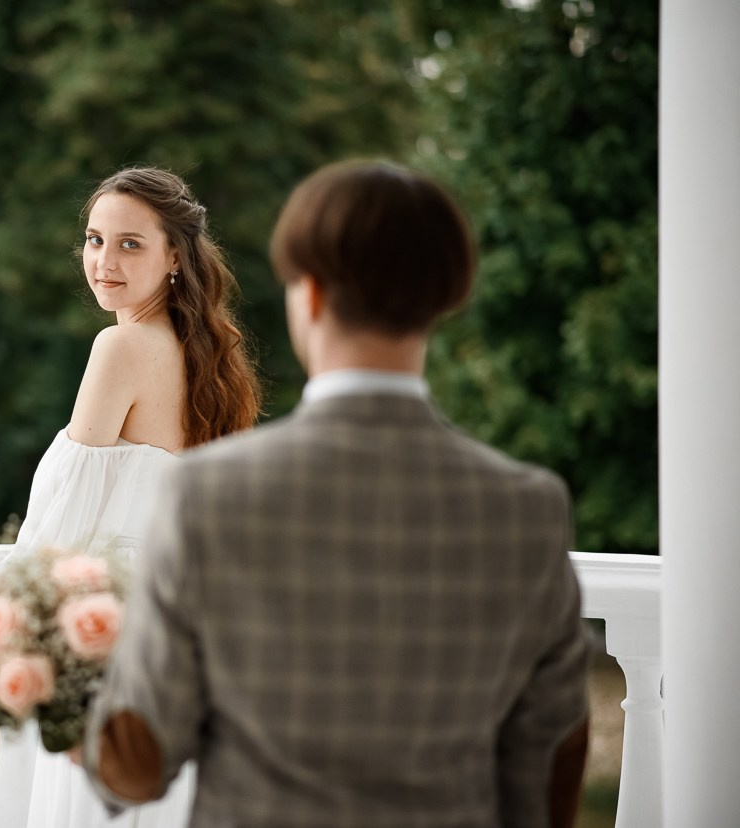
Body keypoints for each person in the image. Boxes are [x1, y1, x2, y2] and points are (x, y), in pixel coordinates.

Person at [82, 160, 592, 828]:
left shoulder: (209, 495)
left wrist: (73, 723)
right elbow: (551, 769)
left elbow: (137, 764)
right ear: (443, 298)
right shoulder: (529, 508)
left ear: (311, 297)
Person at [0, 166, 261, 828]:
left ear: (174, 257)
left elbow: (63, 521)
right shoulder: (210, 366)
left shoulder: (121, 347)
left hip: (106, 641)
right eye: (93, 239)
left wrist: (7, 622)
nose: (103, 261)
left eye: (130, 243)